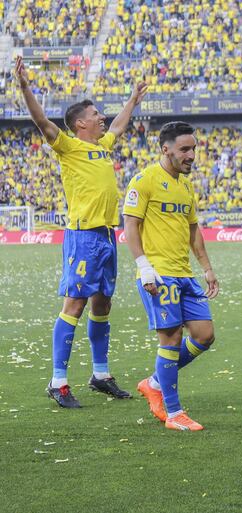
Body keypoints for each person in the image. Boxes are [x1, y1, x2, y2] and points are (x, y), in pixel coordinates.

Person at [14, 55, 146, 408]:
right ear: (79, 123)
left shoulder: (102, 147)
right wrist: (25, 87)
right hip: (83, 237)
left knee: (102, 303)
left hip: (106, 236)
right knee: (74, 304)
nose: (102, 117)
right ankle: (58, 382)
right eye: (95, 114)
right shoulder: (68, 147)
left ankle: (100, 375)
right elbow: (42, 121)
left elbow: (118, 125)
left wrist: (133, 99)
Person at [123, 122, 220, 431]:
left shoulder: (185, 185)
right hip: (159, 273)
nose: (192, 155)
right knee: (171, 338)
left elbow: (193, 230)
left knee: (204, 335)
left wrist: (206, 267)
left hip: (185, 274)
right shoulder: (145, 179)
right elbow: (130, 224)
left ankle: (154, 381)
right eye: (185, 149)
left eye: (193, 149)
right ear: (165, 149)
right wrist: (143, 266)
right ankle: (174, 413)